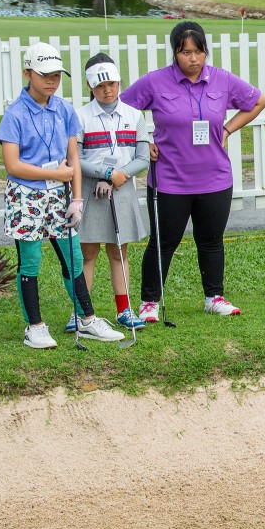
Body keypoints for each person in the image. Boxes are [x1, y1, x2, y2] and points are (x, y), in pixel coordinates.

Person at [121, 21, 265, 318]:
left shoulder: (223, 81)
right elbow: (121, 110)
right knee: (163, 242)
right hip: (169, 180)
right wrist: (142, 142)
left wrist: (226, 130)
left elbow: (259, 101)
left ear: (205, 52)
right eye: (185, 52)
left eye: (198, 51)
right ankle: (149, 302)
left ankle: (214, 297)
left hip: (214, 179)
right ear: (175, 53)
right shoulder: (155, 82)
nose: (192, 59)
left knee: (211, 240)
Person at [0, 42, 125, 348]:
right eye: (45, 75)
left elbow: (73, 158)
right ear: (27, 73)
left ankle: (88, 318)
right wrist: (56, 175)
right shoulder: (15, 113)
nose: (52, 80)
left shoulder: (64, 109)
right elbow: (12, 164)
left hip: (59, 195)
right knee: (30, 261)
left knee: (73, 258)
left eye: (56, 74)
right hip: (25, 195)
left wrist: (77, 198)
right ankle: (35, 327)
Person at [73, 53, 151, 332]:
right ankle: (82, 311)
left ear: (119, 82)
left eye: (113, 84)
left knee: (119, 251)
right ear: (90, 86)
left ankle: (124, 309)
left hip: (122, 188)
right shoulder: (80, 117)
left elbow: (143, 157)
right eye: (100, 86)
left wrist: (120, 175)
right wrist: (105, 173)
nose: (107, 90)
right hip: (92, 190)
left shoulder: (134, 115)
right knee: (88, 252)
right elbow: (75, 158)